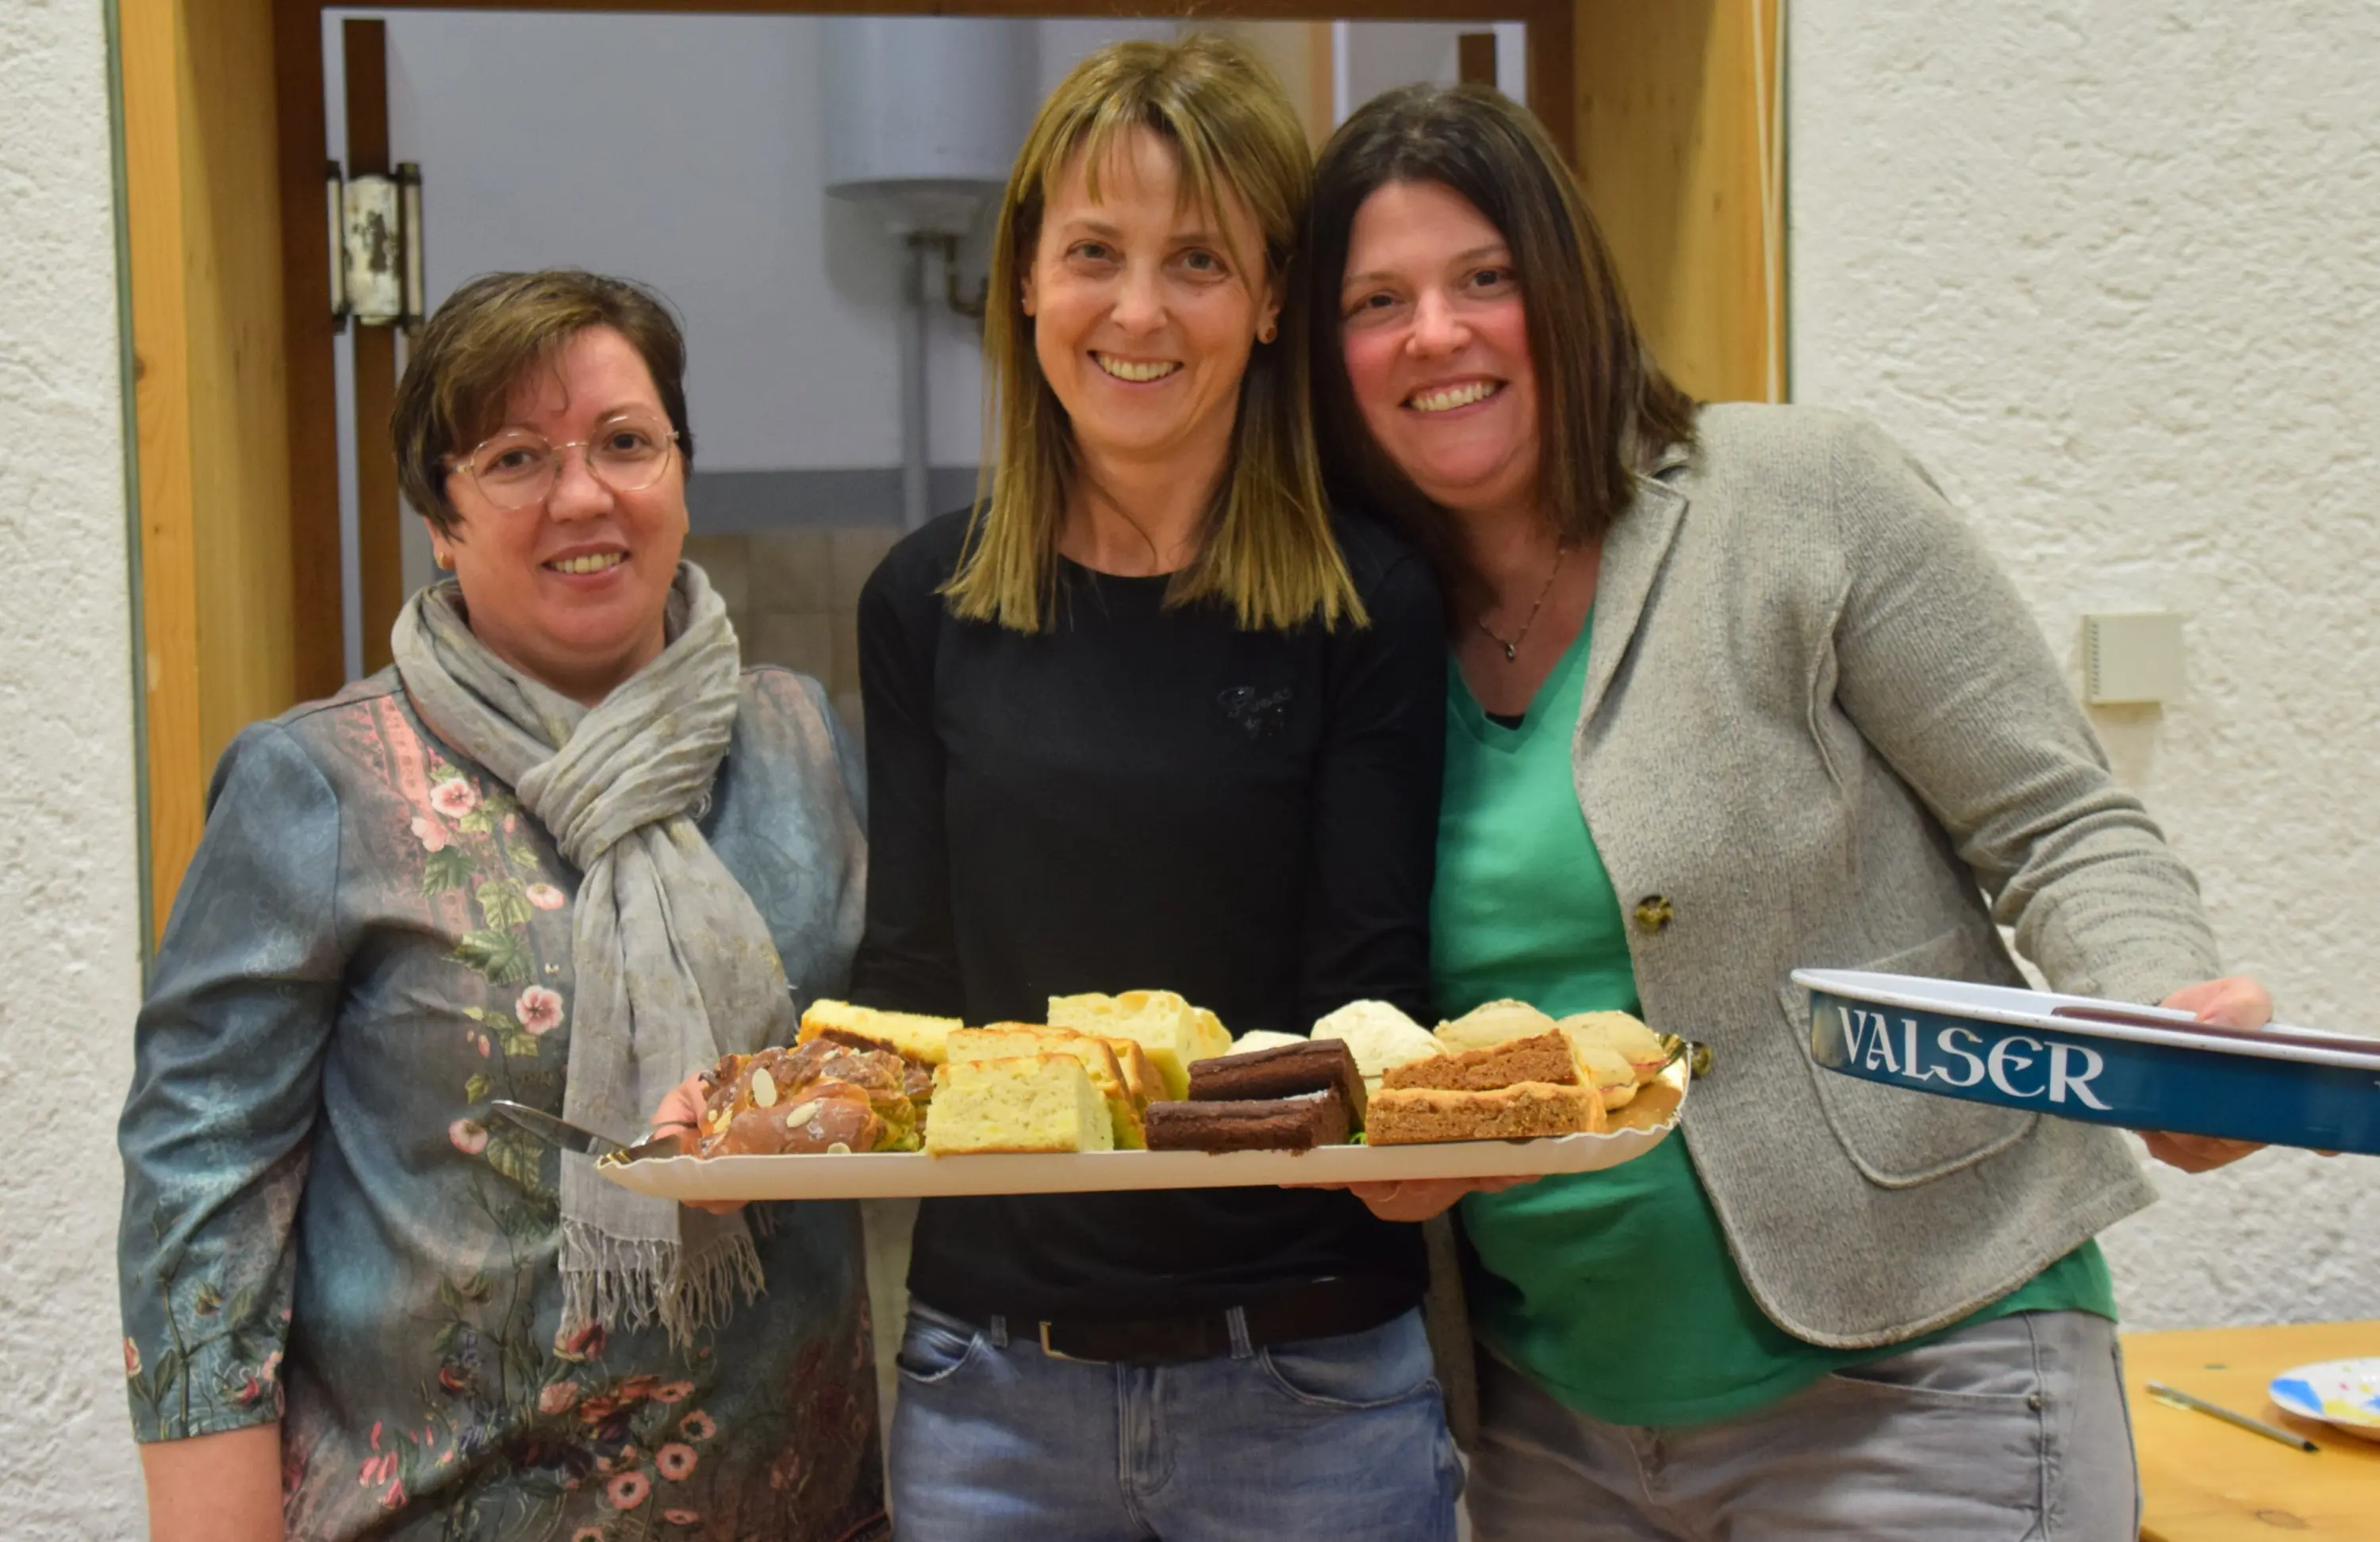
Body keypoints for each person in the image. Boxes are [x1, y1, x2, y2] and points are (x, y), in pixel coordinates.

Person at [1299, 83, 2273, 1541]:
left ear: (1564, 289)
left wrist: (2155, 1024)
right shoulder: (1349, 628)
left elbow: (2059, 824)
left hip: (1926, 1376)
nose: (1438, 334)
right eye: (1379, 301)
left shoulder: (1797, 494)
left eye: (1485, 279)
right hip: (1547, 1427)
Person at [116, 270, 884, 1542]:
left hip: (796, 1504)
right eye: (517, 457)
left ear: (682, 472)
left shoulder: (801, 745)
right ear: (441, 513)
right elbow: (199, 1186)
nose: (583, 496)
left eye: (626, 444)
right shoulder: (324, 782)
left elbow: (917, 1051)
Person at [847, 36, 1458, 1542]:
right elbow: (915, 980)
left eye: (1196, 258)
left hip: (1311, 1378)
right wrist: (782, 1111)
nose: (1135, 310)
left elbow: (1369, 991)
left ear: (1266, 300)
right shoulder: (923, 604)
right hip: (991, 1391)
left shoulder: (1368, 603)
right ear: (1029, 285)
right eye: (1093, 254)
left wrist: (1424, 1149)